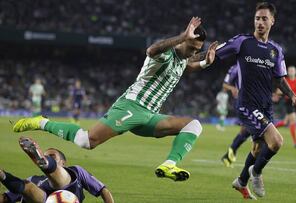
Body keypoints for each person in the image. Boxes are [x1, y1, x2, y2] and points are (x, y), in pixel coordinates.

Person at [13, 17, 218, 182]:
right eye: (191, 47)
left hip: (149, 116)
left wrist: (204, 63)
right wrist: (182, 35)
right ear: (182, 41)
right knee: (87, 141)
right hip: (131, 106)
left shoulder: (182, 59)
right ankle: (41, 122)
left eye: (196, 50)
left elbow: (186, 65)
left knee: (193, 125)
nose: (193, 52)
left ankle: (169, 164)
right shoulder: (164, 55)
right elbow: (152, 50)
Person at [215, 2, 296, 199]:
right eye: (257, 18)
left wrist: (292, 95)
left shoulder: (276, 51)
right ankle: (256, 172)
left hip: (266, 106)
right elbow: (216, 53)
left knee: (257, 148)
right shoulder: (243, 43)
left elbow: (279, 79)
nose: (260, 22)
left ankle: (241, 181)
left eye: (264, 18)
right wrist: (195, 60)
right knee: (276, 142)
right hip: (247, 104)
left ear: (272, 21)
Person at [0, 137, 114, 203]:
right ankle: (2, 174)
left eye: (52, 156)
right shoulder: (34, 179)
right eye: (45, 156)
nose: (49, 157)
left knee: (62, 179)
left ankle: (46, 165)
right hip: (43, 200)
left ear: (63, 162)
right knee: (28, 186)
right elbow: (5, 198)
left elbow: (103, 190)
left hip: (67, 193)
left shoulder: (76, 171)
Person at [220, 64, 251, 168]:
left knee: (245, 131)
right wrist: (233, 88)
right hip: (243, 101)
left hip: (255, 101)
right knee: (249, 130)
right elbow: (225, 85)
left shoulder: (255, 63)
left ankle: (229, 154)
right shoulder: (235, 68)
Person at [274, 65, 296, 148]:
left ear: (295, 72)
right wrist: (283, 93)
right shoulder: (285, 81)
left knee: (285, 122)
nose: (291, 72)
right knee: (293, 121)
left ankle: (267, 130)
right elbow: (278, 92)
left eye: (293, 70)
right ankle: (295, 143)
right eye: (290, 70)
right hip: (289, 103)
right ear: (287, 72)